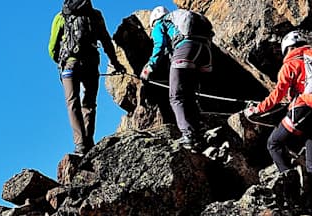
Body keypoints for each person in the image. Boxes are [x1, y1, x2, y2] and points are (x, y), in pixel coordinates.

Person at [243, 31, 312, 174]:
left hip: (302, 110)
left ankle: (288, 178)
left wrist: (257, 109)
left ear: (289, 48)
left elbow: (277, 94)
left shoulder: (290, 64)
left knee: (274, 143)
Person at [49, 0, 127, 155]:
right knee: (89, 103)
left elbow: (52, 47)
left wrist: (61, 61)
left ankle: (80, 144)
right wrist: (115, 63)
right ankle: (89, 141)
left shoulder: (61, 16)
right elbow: (106, 41)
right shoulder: (95, 15)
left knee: (72, 102)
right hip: (91, 64)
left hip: (70, 64)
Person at [141, 4, 215, 147]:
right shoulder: (177, 21)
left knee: (176, 97)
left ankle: (189, 135)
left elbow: (159, 46)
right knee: (189, 95)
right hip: (205, 52)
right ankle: (199, 129)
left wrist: (149, 68)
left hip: (185, 51)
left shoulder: (160, 24)